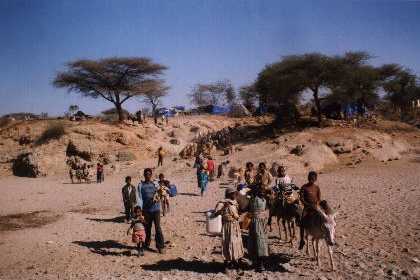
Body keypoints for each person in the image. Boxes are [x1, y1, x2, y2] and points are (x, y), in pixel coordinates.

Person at [214, 187, 244, 272]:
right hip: (227, 226)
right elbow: (215, 214)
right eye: (233, 193)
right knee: (227, 243)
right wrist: (224, 208)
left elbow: (238, 213)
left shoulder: (235, 203)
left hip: (235, 226)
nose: (235, 195)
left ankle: (236, 263)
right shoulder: (222, 203)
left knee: (236, 244)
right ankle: (226, 264)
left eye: (235, 193)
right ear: (229, 194)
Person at [137, 168, 165, 253]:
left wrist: (158, 197)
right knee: (147, 228)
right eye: (146, 174)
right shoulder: (141, 185)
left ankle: (160, 246)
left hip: (156, 209)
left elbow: (161, 193)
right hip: (146, 211)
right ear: (144, 175)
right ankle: (146, 244)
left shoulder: (155, 184)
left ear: (151, 175)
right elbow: (139, 198)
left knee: (158, 228)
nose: (147, 176)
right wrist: (140, 212)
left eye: (149, 174)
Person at [247, 185, 269, 272]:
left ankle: (258, 263)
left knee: (260, 242)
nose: (263, 193)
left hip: (262, 222)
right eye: (261, 191)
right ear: (257, 192)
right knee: (259, 242)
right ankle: (260, 264)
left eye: (263, 191)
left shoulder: (263, 199)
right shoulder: (254, 199)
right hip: (257, 223)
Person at [298, 171, 321, 250]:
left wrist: (316, 204)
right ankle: (302, 240)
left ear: (315, 179)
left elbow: (319, 198)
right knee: (302, 222)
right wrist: (307, 204)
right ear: (308, 178)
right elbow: (301, 198)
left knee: (324, 218)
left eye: (313, 178)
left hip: (315, 207)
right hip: (307, 208)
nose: (312, 179)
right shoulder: (304, 187)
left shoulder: (317, 187)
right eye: (310, 178)